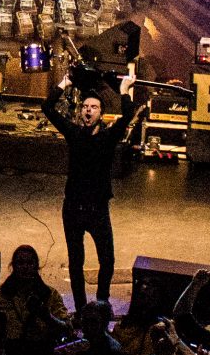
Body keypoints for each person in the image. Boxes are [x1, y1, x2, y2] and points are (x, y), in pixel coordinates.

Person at [42, 62, 148, 313]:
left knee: (107, 260)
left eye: (94, 108)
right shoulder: (73, 132)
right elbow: (47, 107)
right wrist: (63, 85)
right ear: (80, 111)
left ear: (101, 113)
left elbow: (129, 112)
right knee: (76, 261)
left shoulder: (109, 137)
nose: (89, 111)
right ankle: (80, 308)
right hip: (73, 209)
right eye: (86, 107)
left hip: (97, 208)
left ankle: (101, 301)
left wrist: (123, 90)